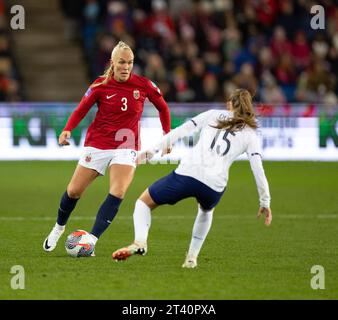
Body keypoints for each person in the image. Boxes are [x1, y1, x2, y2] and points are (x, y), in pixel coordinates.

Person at [112, 88, 272, 268]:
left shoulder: (213, 114)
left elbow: (182, 130)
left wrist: (151, 152)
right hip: (214, 186)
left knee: (143, 203)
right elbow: (257, 168)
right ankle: (191, 258)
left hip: (188, 173)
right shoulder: (250, 133)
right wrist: (265, 201)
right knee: (206, 211)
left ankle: (140, 242)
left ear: (229, 104)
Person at [43, 41, 171, 254]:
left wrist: (167, 135)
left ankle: (91, 240)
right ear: (112, 62)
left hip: (126, 146)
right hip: (98, 144)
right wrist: (67, 129)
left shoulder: (144, 85)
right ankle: (58, 228)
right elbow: (81, 110)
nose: (126, 67)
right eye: (122, 62)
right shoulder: (100, 85)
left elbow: (163, 108)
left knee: (118, 191)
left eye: (130, 62)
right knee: (74, 191)